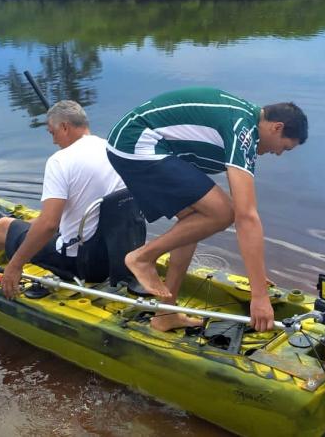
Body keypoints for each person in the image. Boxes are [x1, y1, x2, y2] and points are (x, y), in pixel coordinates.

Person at [106, 87, 308, 332]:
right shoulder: (243, 130)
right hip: (136, 143)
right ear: (277, 127)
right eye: (284, 147)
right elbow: (246, 216)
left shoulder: (245, 121)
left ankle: (165, 313)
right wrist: (259, 295)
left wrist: (255, 274)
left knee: (195, 222)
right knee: (223, 212)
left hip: (151, 146)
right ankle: (143, 257)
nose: (278, 153)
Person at [0, 100, 130, 299]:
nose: (54, 141)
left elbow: (49, 225)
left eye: (52, 133)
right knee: (45, 218)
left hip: (81, 264)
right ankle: (19, 226)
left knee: (4, 226)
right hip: (118, 256)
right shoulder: (112, 149)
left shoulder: (61, 161)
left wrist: (15, 265)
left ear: (65, 127)